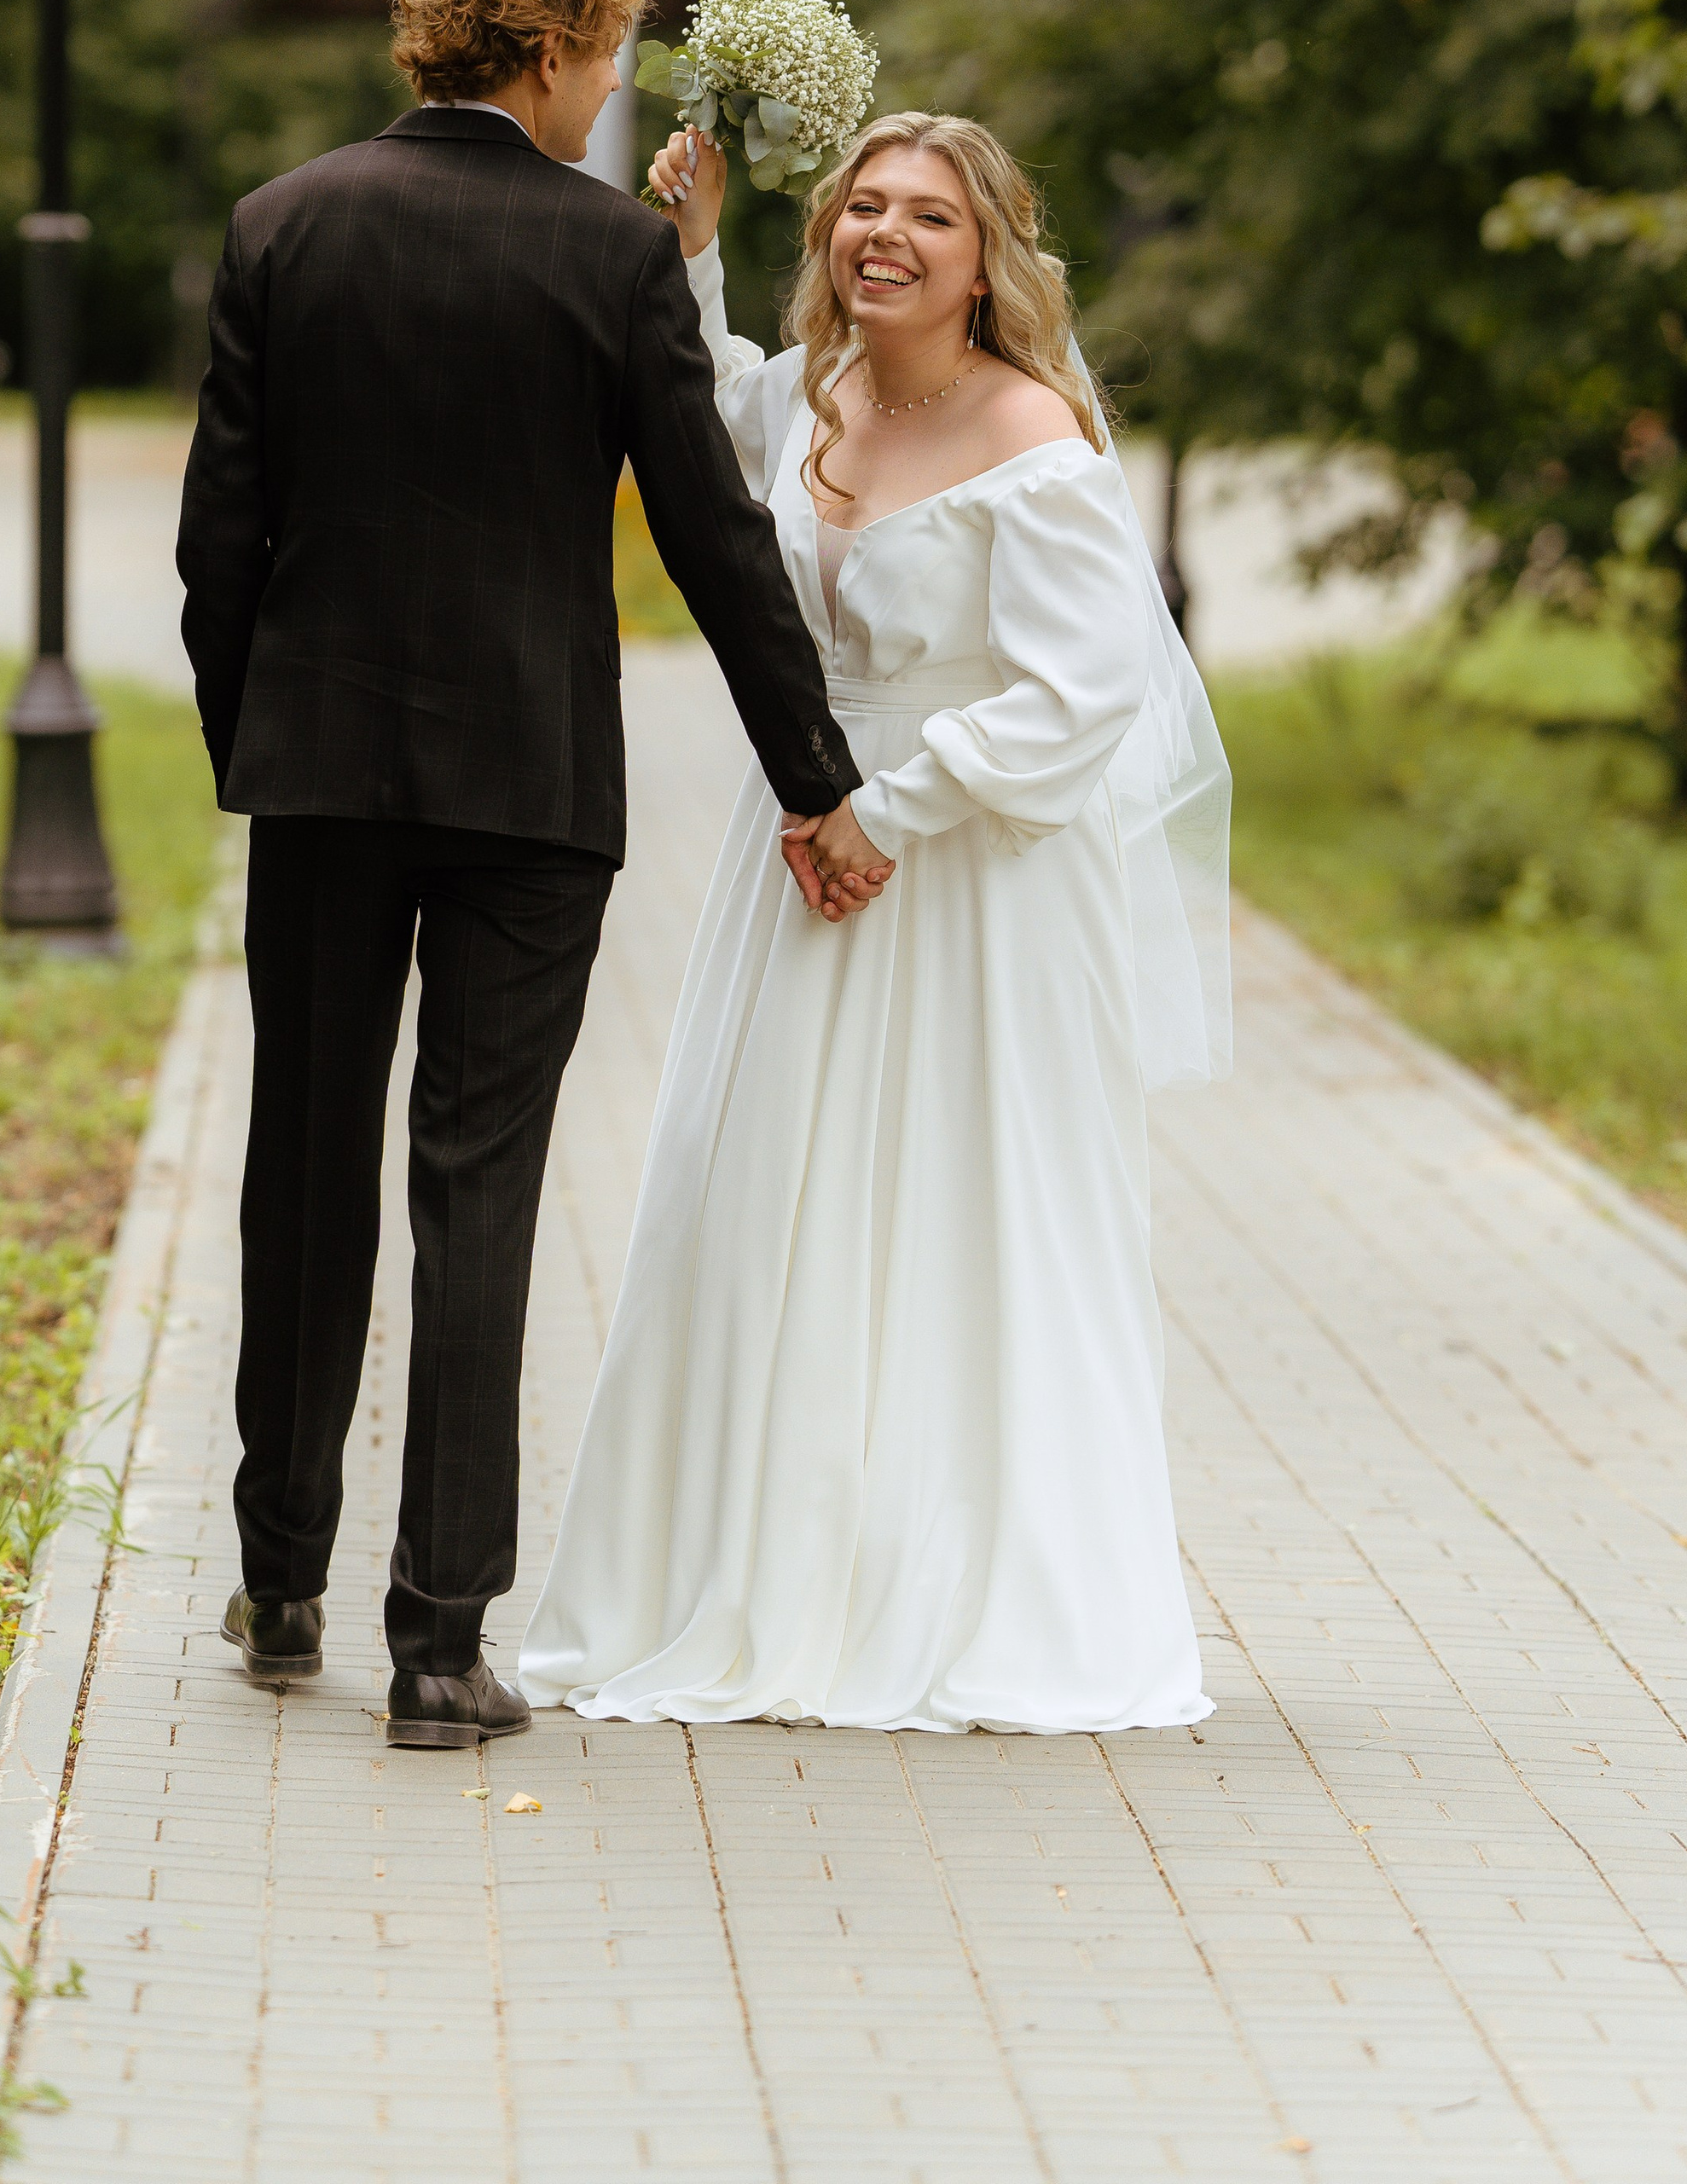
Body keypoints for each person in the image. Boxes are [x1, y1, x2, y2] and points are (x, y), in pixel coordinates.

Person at [174, 0, 874, 1754]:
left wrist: (258, 741)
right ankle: (437, 1646)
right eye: (606, 56)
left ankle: (280, 1579)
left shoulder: (282, 223)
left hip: (321, 777)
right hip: (531, 790)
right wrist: (815, 777)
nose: (607, 92)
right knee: (474, 1188)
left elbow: (218, 542)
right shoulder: (608, 256)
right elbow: (716, 543)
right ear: (552, 49)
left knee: (303, 1166)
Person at [520, 110, 1232, 1735]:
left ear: (988, 263)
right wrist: (692, 252)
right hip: (799, 854)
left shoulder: (1034, 434)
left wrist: (891, 812)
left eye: (929, 215)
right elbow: (704, 421)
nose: (886, 236)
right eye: (863, 207)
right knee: (763, 1190)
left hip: (974, 874)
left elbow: (1082, 692)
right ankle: (757, 1572)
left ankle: (968, 1589)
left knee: (962, 1205)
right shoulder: (808, 395)